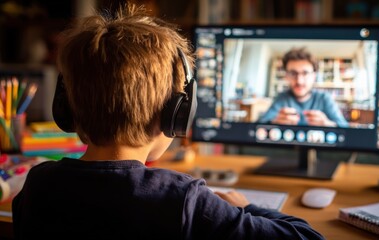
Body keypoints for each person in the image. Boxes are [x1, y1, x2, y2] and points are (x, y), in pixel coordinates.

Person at [12, 4, 325, 240]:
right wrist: (244, 208)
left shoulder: (39, 184)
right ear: (176, 114)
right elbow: (308, 236)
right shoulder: (184, 199)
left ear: (66, 107)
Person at [259, 48, 348, 127]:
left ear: (314, 76)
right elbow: (259, 124)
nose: (299, 81)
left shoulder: (325, 98)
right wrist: (274, 122)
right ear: (286, 76)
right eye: (293, 73)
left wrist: (327, 124)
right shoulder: (282, 97)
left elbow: (345, 128)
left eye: (305, 73)